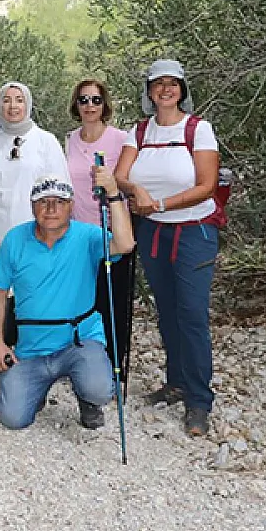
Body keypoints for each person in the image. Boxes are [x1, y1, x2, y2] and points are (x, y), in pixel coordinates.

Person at [114, 60, 220, 437]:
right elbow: (120, 176)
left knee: (192, 313)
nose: (165, 89)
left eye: (172, 83)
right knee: (167, 309)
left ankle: (199, 400)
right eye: (158, 83)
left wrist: (158, 203)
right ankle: (176, 380)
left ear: (182, 89)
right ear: (149, 91)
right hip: (154, 232)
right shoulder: (140, 131)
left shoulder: (199, 129)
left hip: (194, 232)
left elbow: (206, 186)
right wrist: (136, 191)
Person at [0, 173, 134, 430]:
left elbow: (125, 244)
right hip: (31, 348)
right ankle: (37, 392)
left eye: (60, 201)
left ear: (71, 206)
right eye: (43, 202)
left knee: (99, 389)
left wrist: (113, 194)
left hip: (78, 341)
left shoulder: (87, 236)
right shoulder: (14, 239)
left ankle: (88, 399)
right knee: (12, 418)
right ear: (32, 206)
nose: (51, 209)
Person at [0, 81, 67, 418]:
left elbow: (60, 193)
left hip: (34, 242)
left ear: (29, 104)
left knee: (30, 314)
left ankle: (29, 382)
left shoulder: (46, 142)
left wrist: (53, 234)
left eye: (19, 100)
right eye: (7, 100)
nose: (13, 106)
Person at [64, 79, 133, 378]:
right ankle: (84, 364)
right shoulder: (69, 140)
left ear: (104, 104)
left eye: (95, 100)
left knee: (114, 302)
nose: (89, 105)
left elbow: (128, 181)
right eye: (83, 100)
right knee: (84, 301)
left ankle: (115, 366)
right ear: (76, 105)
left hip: (112, 232)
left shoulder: (121, 139)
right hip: (79, 235)